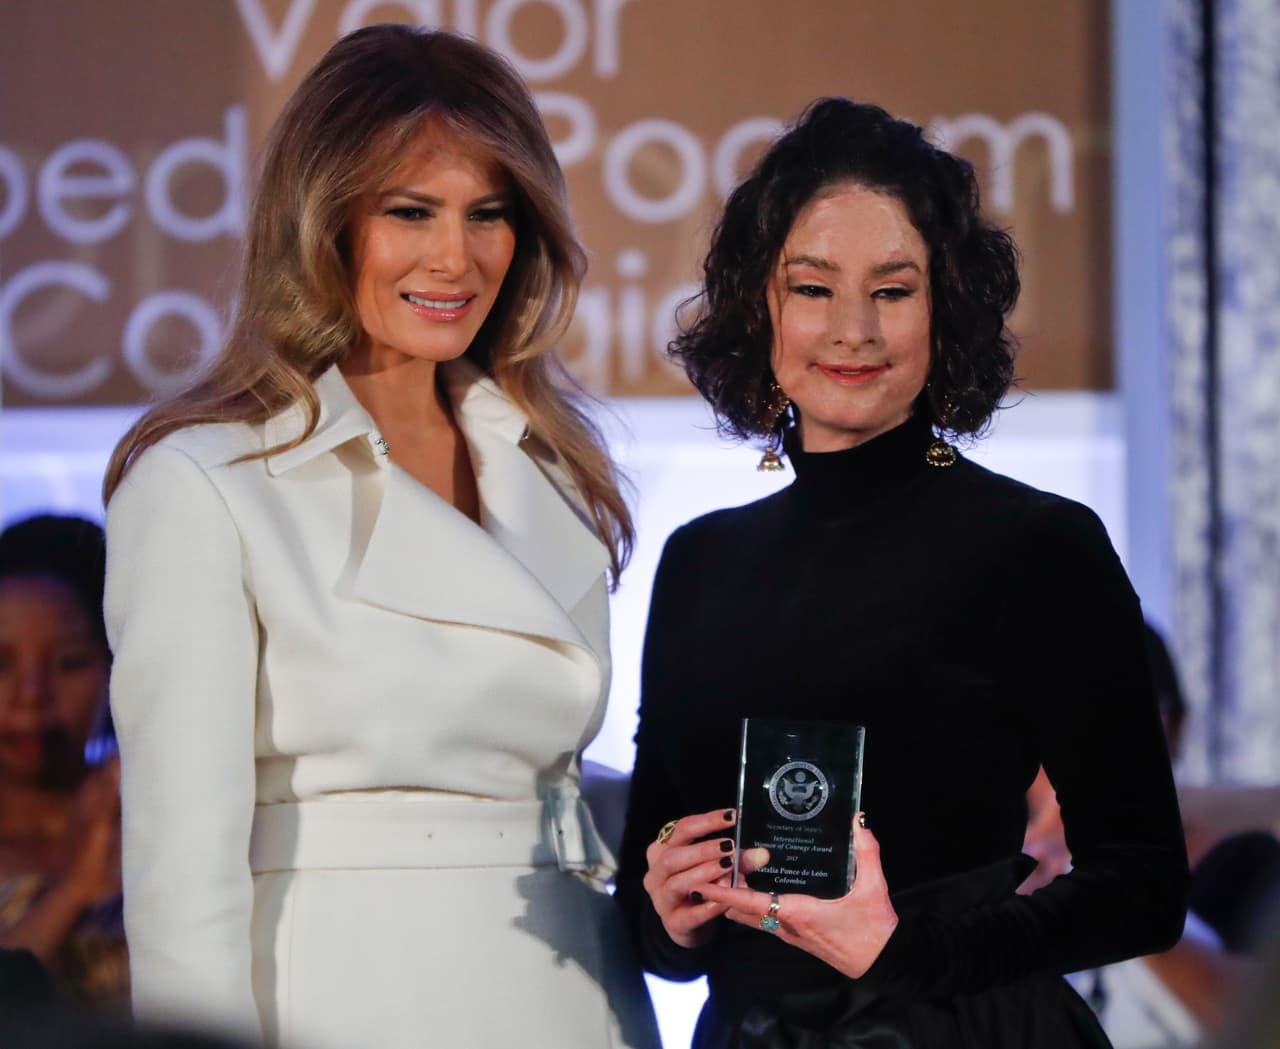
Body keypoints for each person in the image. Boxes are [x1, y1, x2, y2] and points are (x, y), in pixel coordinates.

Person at [103, 25, 658, 1049]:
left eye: (487, 214)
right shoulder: (204, 484)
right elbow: (183, 869)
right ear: (324, 221)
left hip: (573, 992)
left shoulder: (546, 464)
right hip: (347, 993)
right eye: (410, 212)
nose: (455, 257)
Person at [615, 98, 1189, 1048]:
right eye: (813, 287)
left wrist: (911, 951)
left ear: (944, 307)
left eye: (892, 289)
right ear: (761, 304)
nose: (853, 329)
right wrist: (671, 918)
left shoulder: (1039, 544)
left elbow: (1145, 886)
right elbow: (658, 921)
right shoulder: (698, 562)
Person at [0, 514, 126, 1010]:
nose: (31, 696)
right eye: (0, 664)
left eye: (69, 663)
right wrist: (72, 890)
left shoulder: (156, 820)